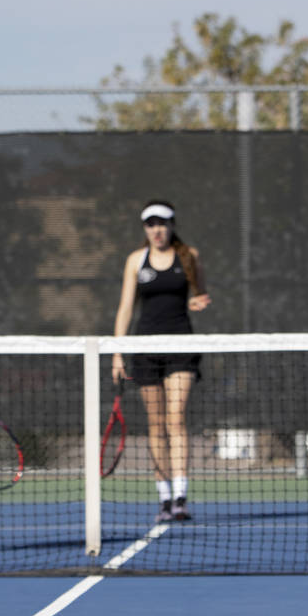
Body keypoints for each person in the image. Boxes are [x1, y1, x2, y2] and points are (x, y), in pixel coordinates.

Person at [111, 201, 210, 523]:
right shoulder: (135, 262)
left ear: (172, 225)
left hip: (181, 345)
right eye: (151, 224)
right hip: (145, 349)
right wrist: (117, 351)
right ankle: (164, 498)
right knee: (156, 425)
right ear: (145, 228)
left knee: (176, 418)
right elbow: (126, 307)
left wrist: (198, 300)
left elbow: (200, 291)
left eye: (162, 223)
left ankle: (181, 496)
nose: (157, 229)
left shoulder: (189, 256)